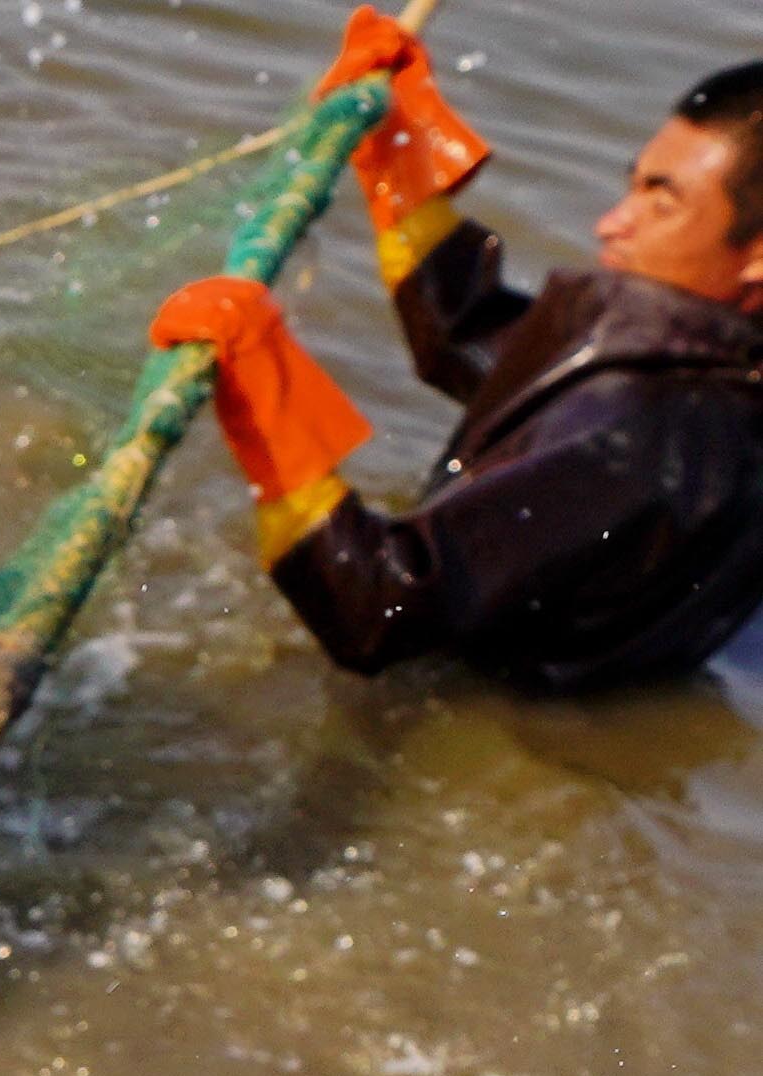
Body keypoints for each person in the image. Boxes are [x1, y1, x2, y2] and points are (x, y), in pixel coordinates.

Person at [154, 28, 763, 693]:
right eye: (635, 186)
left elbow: (373, 606)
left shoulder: (642, 436)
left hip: (470, 716)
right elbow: (495, 355)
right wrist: (400, 162)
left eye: (662, 202)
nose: (612, 223)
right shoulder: (708, 386)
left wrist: (269, 399)